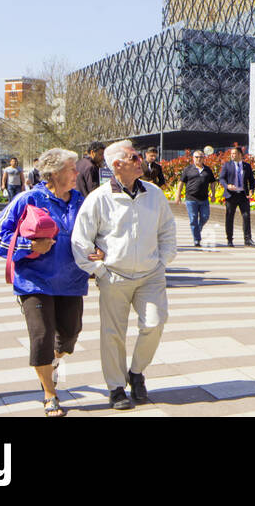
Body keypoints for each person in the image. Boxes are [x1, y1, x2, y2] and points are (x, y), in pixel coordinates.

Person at [0, 148, 100, 417]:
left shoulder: (80, 201)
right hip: (33, 282)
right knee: (41, 336)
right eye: (72, 169)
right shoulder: (27, 199)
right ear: (53, 174)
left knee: (70, 335)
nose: (77, 173)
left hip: (71, 281)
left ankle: (52, 359)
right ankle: (50, 394)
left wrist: (99, 251)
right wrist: (29, 245)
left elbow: (97, 234)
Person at [71, 139, 176, 410]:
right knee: (113, 334)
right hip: (114, 276)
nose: (141, 160)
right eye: (134, 157)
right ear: (117, 164)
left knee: (154, 323)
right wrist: (99, 271)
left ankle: (137, 372)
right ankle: (116, 387)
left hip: (150, 275)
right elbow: (81, 240)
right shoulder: (99, 198)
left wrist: (162, 261)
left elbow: (167, 231)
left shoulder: (153, 194)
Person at [219, 146, 255, 247]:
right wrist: (227, 186)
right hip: (231, 195)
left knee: (246, 216)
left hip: (243, 195)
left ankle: (248, 239)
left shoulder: (246, 166)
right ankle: (230, 239)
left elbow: (251, 180)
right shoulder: (227, 165)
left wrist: (251, 190)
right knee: (229, 217)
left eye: (234, 153)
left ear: (240, 154)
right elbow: (221, 178)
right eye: (231, 154)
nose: (232, 155)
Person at [178, 150, 215, 247]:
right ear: (193, 158)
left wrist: (213, 194)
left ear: (204, 158)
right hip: (191, 198)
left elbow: (212, 182)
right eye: (196, 157)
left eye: (201, 157)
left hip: (204, 199)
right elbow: (181, 183)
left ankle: (197, 230)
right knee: (193, 218)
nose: (199, 159)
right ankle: (197, 239)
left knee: (205, 217)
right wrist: (178, 195)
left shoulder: (207, 170)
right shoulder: (188, 169)